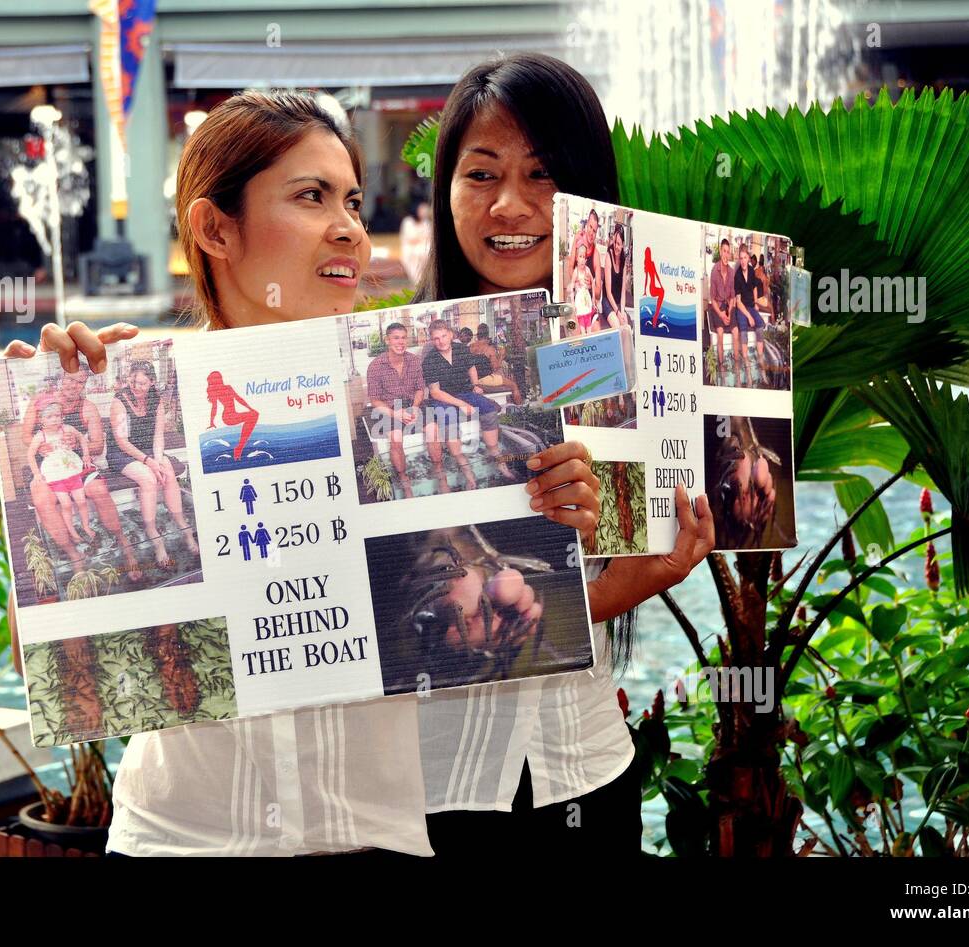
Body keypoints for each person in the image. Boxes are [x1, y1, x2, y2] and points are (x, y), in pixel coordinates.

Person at [3, 88, 603, 857]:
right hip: (181, 840)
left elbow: (475, 628)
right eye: (311, 196)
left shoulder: (404, 403)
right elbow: (59, 668)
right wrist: (17, 478)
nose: (349, 227)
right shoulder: (135, 396)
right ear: (216, 228)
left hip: (377, 838)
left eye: (352, 200)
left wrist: (557, 518)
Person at [413, 52, 715, 856]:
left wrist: (649, 568)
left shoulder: (616, 355)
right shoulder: (394, 365)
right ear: (447, 193)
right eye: (482, 174)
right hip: (423, 792)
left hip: (581, 772)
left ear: (586, 190)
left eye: (544, 174)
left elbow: (600, 587)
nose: (510, 204)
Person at [19, 364, 141, 581]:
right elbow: (26, 436)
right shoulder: (40, 402)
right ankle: (75, 556)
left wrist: (76, 442)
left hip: (76, 465)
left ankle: (125, 544)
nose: (73, 385)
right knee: (42, 501)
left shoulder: (87, 408)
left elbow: (97, 445)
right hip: (47, 466)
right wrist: (41, 446)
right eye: (70, 379)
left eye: (80, 382)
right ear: (61, 377)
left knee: (99, 490)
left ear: (85, 384)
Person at [106, 358, 199, 570]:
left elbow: (158, 436)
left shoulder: (156, 401)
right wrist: (149, 462)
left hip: (148, 450)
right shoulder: (119, 401)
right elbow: (121, 441)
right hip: (122, 453)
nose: (136, 387)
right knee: (148, 478)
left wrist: (157, 460)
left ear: (151, 383)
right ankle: (153, 534)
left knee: (166, 468)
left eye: (142, 383)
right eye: (133, 381)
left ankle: (182, 525)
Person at [421, 318, 517, 491]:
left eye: (443, 336)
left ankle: (495, 454)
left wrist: (475, 385)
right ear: (431, 340)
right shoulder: (430, 360)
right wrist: (462, 404)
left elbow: (471, 367)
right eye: (436, 338)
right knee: (448, 416)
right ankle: (465, 468)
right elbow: (435, 392)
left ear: (451, 334)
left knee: (488, 408)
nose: (441, 341)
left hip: (466, 391)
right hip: (443, 398)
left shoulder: (461, 349)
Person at [365, 321, 435, 498]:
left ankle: (439, 471)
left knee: (433, 430)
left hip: (413, 404)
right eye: (396, 338)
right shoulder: (375, 366)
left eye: (403, 338)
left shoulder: (414, 360)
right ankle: (405, 481)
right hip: (390, 408)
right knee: (395, 439)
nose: (400, 342)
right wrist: (395, 413)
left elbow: (420, 389)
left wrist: (414, 407)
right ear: (387, 340)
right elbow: (374, 399)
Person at [29, 399, 96, 544]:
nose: (54, 420)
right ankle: (72, 531)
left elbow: (82, 439)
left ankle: (86, 526)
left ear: (62, 417)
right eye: (49, 417)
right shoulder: (41, 436)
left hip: (72, 471)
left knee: (82, 501)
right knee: (66, 504)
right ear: (41, 420)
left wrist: (86, 454)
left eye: (57, 416)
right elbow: (30, 454)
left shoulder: (67, 428)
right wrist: (36, 473)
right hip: (56, 476)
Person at [733, 244, 768, 387]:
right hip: (741, 308)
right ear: (739, 259)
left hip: (750, 305)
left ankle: (762, 371)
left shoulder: (752, 271)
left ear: (748, 258)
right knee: (743, 332)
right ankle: (748, 375)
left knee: (760, 325)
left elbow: (754, 287)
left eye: (745, 257)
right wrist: (749, 316)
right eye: (740, 258)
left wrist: (755, 304)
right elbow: (738, 302)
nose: (742, 261)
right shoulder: (737, 276)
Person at [205, 370, 259, 460]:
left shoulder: (228, 387)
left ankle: (239, 448)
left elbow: (239, 399)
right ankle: (239, 448)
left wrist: (250, 408)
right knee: (253, 415)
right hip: (227, 417)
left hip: (234, 414)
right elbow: (214, 407)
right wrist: (211, 422)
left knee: (254, 415)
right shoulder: (217, 391)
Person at [469, 322, 523, 404]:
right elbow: (495, 367)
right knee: (514, 385)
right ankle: (521, 409)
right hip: (486, 379)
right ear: (487, 334)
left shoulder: (471, 347)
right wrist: (501, 356)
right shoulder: (489, 349)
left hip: (474, 380)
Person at [707, 237, 737, 374]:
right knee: (719, 332)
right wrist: (721, 314)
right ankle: (721, 365)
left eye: (728, 252)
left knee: (736, 331)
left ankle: (737, 364)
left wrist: (729, 313)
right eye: (724, 251)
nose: (726, 255)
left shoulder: (731, 272)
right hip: (717, 307)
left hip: (727, 307)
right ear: (720, 251)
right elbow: (712, 299)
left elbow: (732, 297)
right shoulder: (714, 271)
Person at [600, 222, 628, 329]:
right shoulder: (609, 255)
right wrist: (617, 312)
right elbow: (608, 291)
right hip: (608, 300)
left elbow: (623, 292)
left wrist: (622, 310)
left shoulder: (623, 261)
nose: (616, 246)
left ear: (623, 244)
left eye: (619, 244)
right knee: (617, 325)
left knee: (625, 325)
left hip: (618, 301)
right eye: (615, 243)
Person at [399, 200, 432, 284]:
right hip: (410, 247)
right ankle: (417, 280)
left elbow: (429, 237)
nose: (424, 212)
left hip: (423, 246)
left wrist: (422, 240)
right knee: (417, 253)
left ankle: (426, 280)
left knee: (427, 251)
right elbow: (410, 239)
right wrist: (421, 239)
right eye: (422, 210)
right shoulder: (408, 221)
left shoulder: (426, 223)